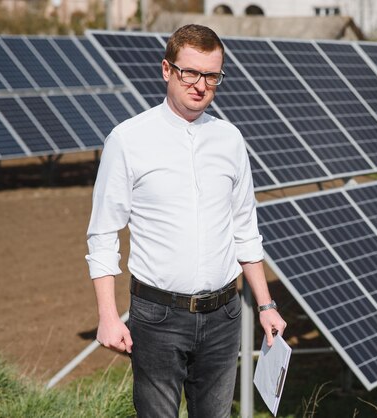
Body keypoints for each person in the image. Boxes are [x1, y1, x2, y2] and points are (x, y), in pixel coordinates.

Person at [85, 24, 286, 418]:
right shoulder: (128, 140)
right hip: (157, 317)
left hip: (225, 315)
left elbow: (245, 230)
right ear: (166, 70)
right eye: (189, 72)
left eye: (212, 75)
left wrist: (266, 305)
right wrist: (108, 316)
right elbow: (103, 234)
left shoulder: (230, 139)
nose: (200, 85)